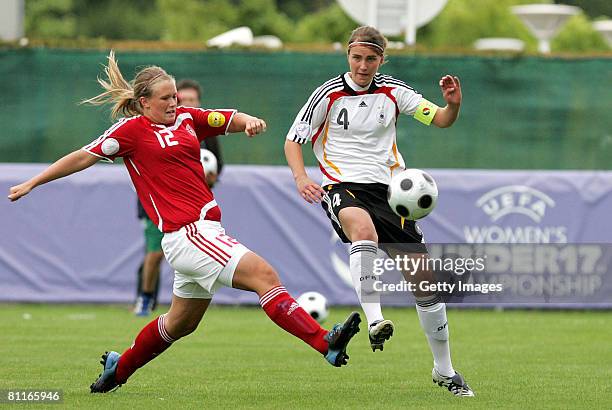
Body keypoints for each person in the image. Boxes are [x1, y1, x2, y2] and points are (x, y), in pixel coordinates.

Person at [8, 51, 362, 393]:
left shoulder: (187, 119)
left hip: (203, 233)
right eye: (165, 98)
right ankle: (323, 342)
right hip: (188, 233)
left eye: (175, 95)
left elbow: (225, 118)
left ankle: (120, 368)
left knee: (181, 323)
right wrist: (33, 182)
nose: (173, 102)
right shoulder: (131, 131)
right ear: (144, 102)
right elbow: (81, 157)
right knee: (264, 276)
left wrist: (248, 122)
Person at [284, 26, 474, 397]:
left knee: (426, 286)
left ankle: (445, 370)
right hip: (343, 186)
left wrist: (453, 104)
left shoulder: (393, 91)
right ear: (348, 56)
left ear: (381, 59)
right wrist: (300, 176)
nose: (363, 65)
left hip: (391, 192)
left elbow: (441, 120)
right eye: (357, 57)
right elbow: (294, 140)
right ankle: (375, 320)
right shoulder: (328, 93)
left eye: (371, 58)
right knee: (362, 232)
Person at [134, 79, 222, 316]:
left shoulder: (201, 127)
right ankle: (144, 298)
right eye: (178, 99)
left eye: (191, 100)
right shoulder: (143, 130)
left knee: (186, 257)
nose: (178, 103)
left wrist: (210, 177)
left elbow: (218, 167)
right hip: (161, 205)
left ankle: (182, 306)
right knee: (154, 253)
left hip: (194, 210)